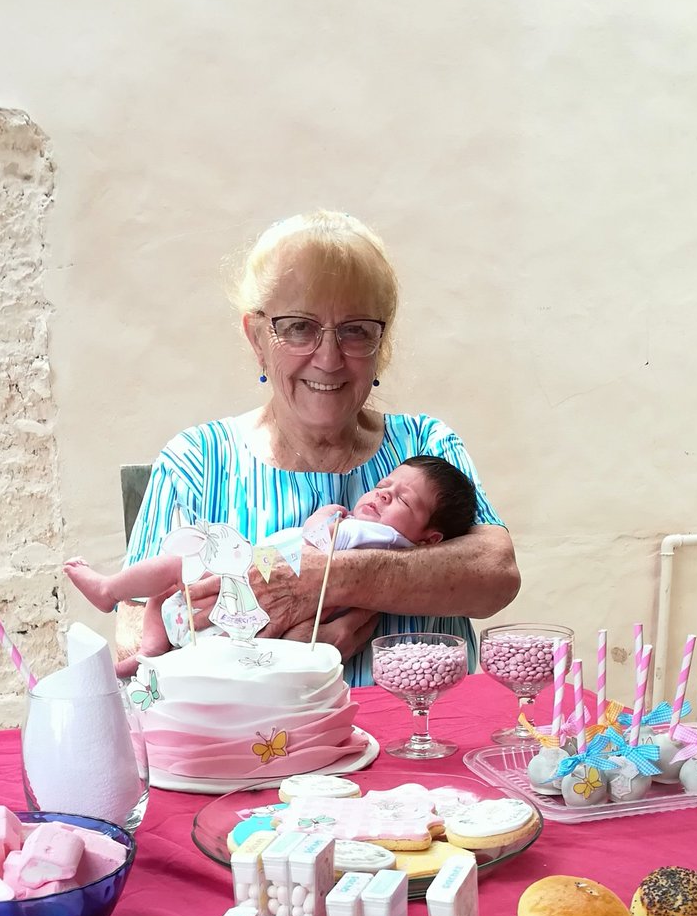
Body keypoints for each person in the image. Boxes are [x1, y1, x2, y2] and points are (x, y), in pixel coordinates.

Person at [116, 210, 520, 686]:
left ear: (380, 343)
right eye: (299, 327)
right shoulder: (197, 462)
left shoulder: (426, 445)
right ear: (257, 338)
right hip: (255, 751)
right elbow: (134, 646)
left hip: (421, 742)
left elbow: (495, 573)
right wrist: (261, 669)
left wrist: (319, 578)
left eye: (355, 330)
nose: (328, 358)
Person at [66, 457, 476, 664]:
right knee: (174, 590)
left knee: (179, 566)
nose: (383, 494)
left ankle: (113, 593)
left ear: (429, 539)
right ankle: (149, 652)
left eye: (403, 498)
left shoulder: (380, 538)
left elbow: (320, 543)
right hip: (243, 623)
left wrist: (326, 516)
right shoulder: (382, 536)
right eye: (384, 485)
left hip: (251, 576)